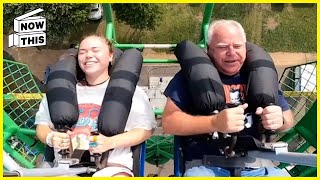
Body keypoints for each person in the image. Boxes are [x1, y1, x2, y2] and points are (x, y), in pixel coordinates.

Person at [162, 20, 294, 176]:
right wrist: (214, 122)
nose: (231, 53)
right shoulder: (190, 78)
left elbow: (288, 121)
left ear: (245, 47)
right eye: (222, 47)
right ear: (209, 50)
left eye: (237, 46)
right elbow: (169, 122)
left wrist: (279, 121)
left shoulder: (261, 75)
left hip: (258, 165)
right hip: (206, 166)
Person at [35, 35, 157, 177]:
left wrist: (109, 142)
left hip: (112, 168)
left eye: (95, 50)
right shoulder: (60, 92)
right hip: (66, 168)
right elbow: (42, 126)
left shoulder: (131, 92)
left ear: (111, 56)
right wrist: (51, 137)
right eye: (82, 52)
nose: (88, 55)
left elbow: (145, 130)